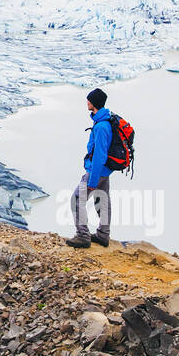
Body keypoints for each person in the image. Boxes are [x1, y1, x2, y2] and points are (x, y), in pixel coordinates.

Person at [65, 87, 112, 248]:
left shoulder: (100, 127)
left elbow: (99, 156)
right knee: (102, 201)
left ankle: (83, 236)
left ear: (94, 103)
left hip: (96, 172)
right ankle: (103, 235)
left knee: (76, 200)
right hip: (104, 172)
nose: (87, 102)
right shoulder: (105, 121)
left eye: (89, 100)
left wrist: (92, 180)